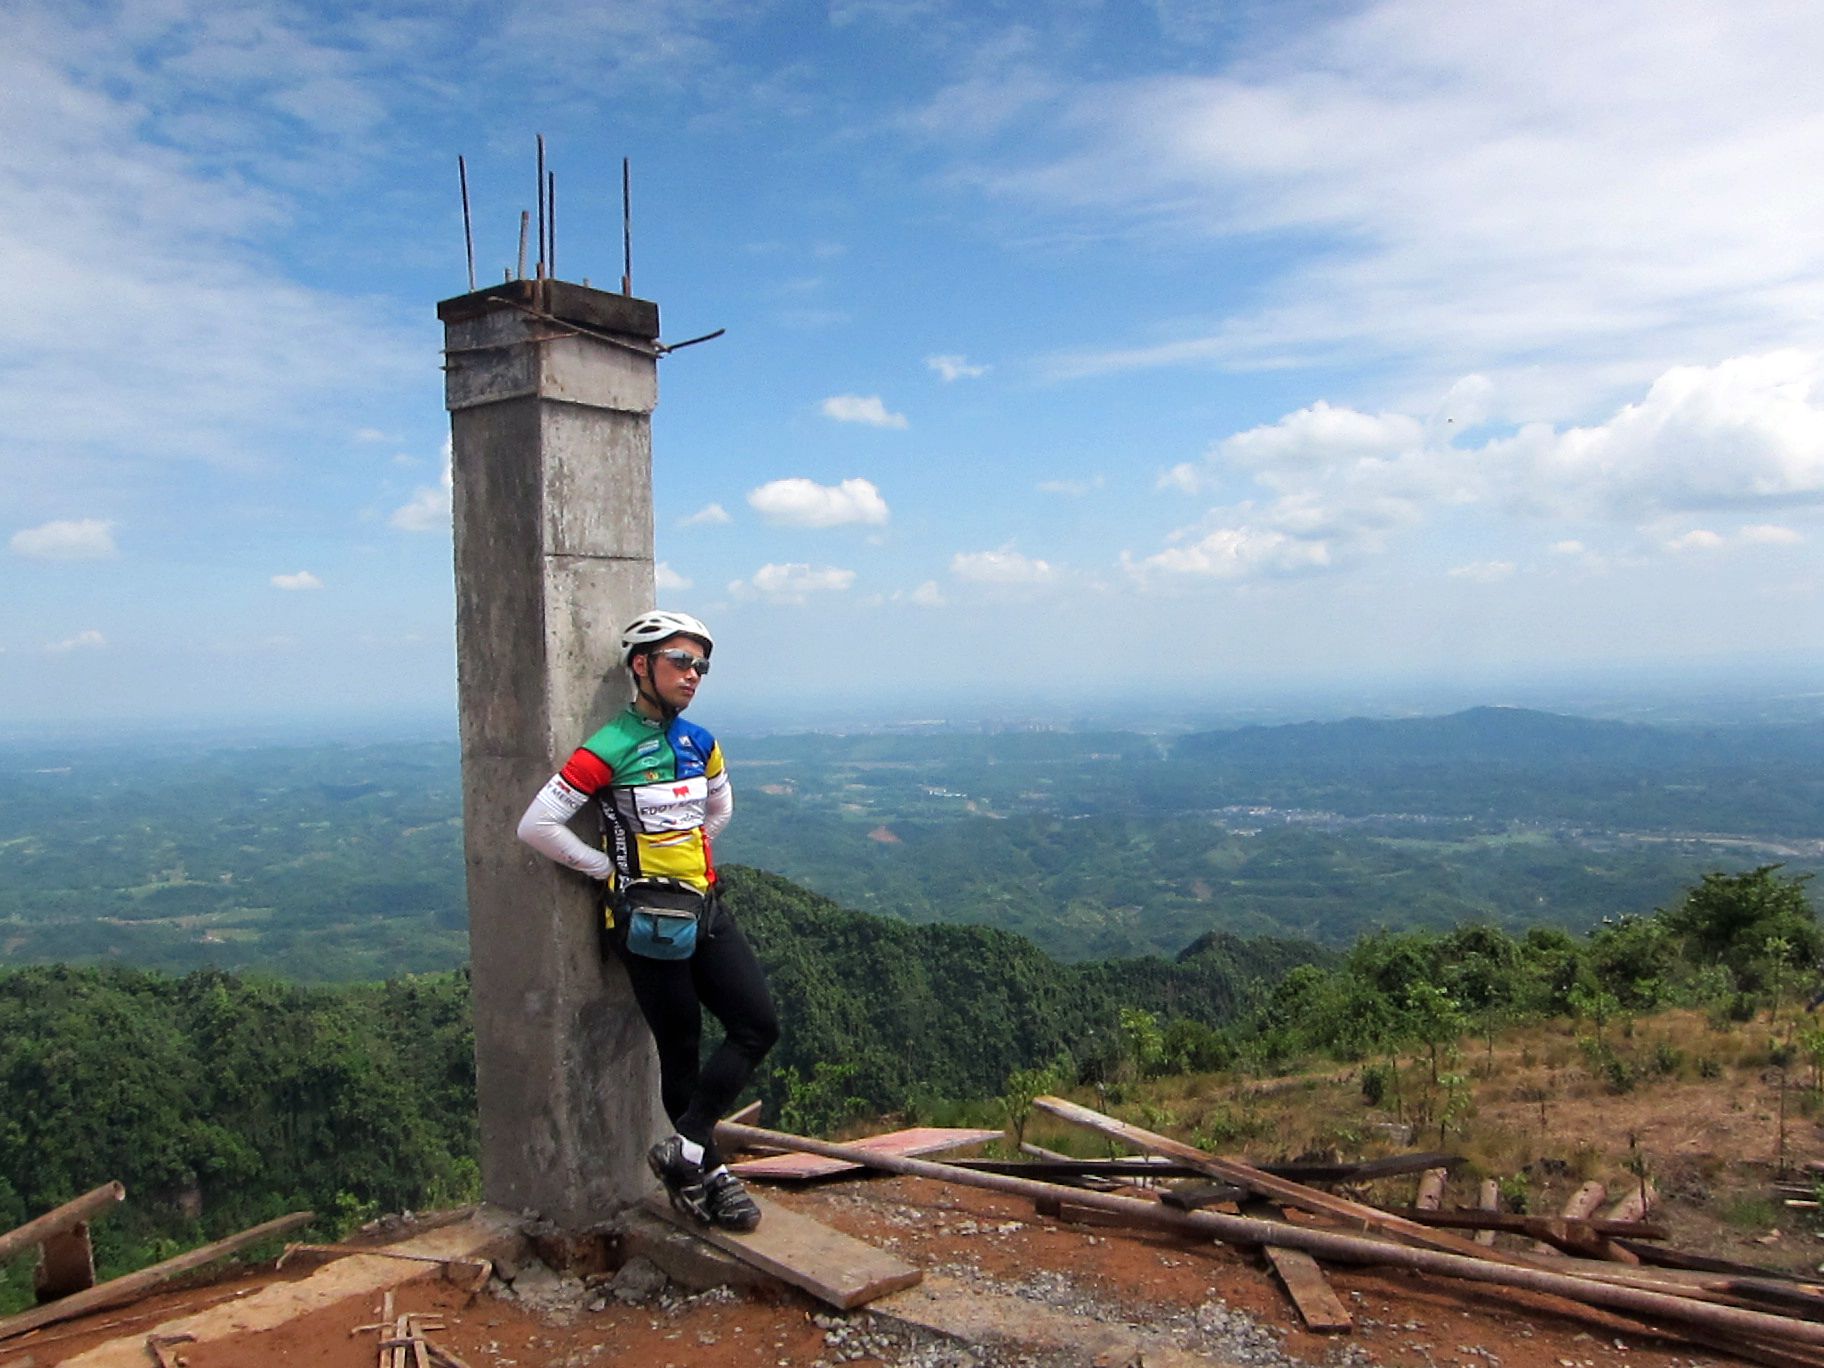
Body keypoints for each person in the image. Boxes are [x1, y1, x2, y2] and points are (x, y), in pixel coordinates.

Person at [515, 609, 778, 1231]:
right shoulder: (610, 746)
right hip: (648, 924)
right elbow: (536, 826)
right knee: (680, 1047)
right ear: (642, 665)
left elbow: (718, 808)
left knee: (757, 1024)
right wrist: (607, 868)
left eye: (701, 665)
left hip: (704, 907)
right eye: (680, 662)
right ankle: (709, 1177)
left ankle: (683, 1148)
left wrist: (691, 859)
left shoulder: (700, 742)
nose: (694, 675)